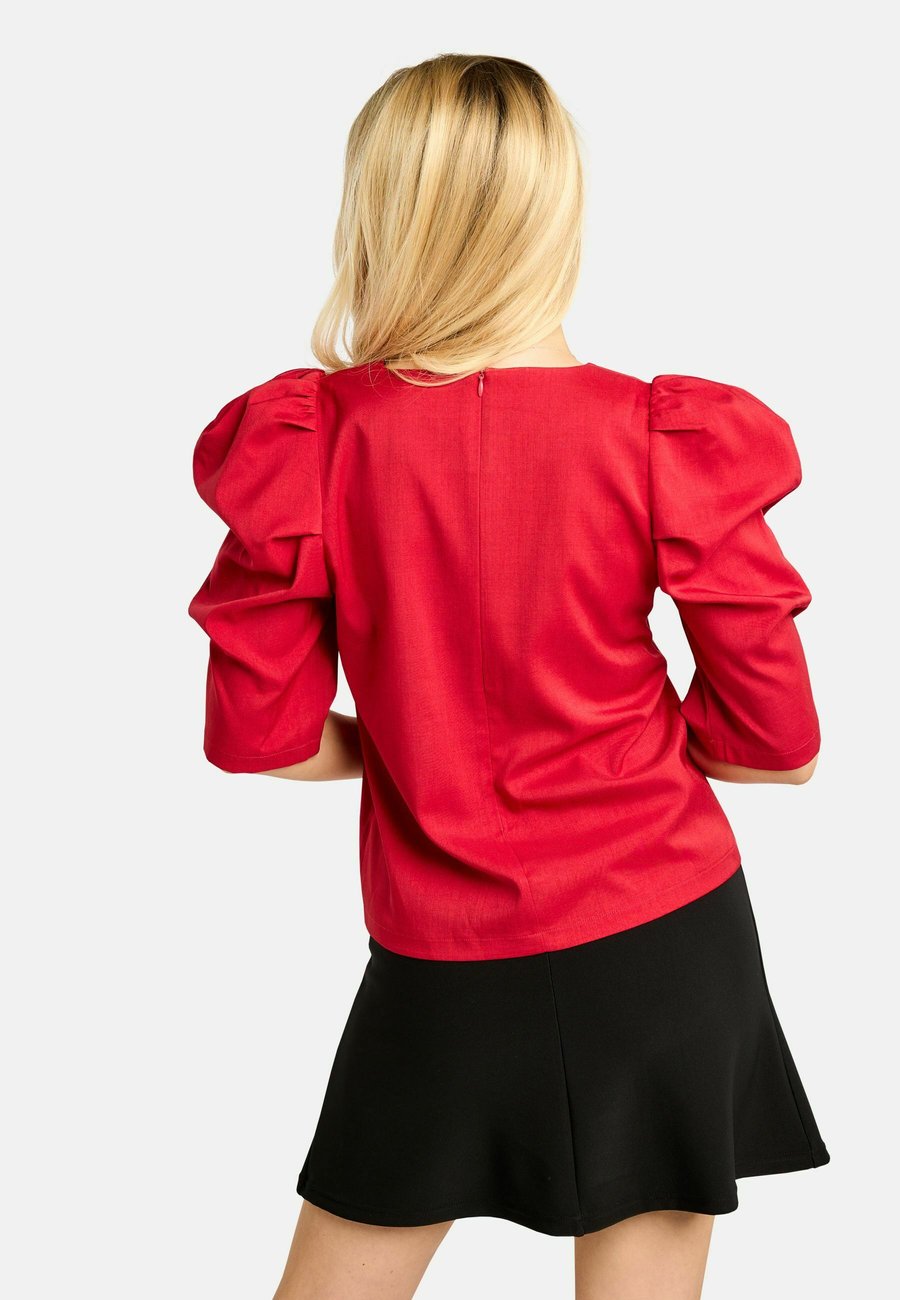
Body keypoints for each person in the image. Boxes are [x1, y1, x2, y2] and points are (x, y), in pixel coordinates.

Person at [188, 52, 830, 1300]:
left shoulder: (313, 440)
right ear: (559, 212)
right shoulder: (659, 436)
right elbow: (778, 749)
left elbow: (262, 737)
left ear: (378, 213)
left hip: (439, 956)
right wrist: (625, 741)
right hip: (666, 936)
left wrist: (411, 748)